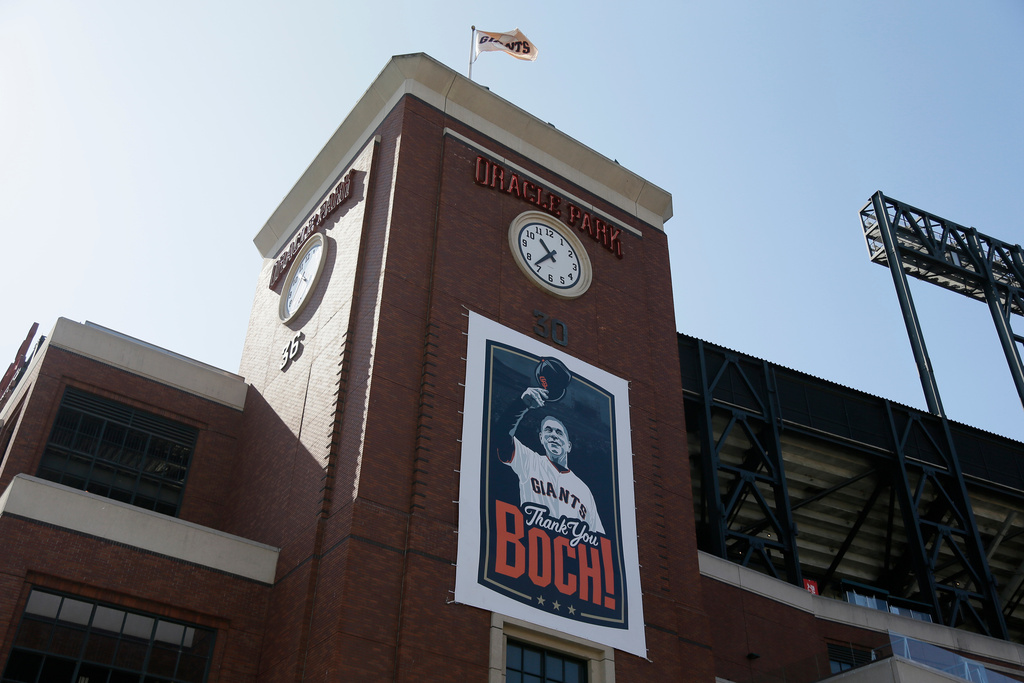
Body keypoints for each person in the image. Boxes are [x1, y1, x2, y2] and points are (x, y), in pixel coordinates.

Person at [493, 385, 605, 534]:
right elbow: (501, 436)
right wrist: (521, 405)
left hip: (569, 553)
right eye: (548, 430)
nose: (553, 435)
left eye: (559, 433)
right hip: (533, 545)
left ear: (569, 446)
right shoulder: (530, 461)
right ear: (541, 438)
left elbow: (599, 538)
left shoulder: (584, 490)